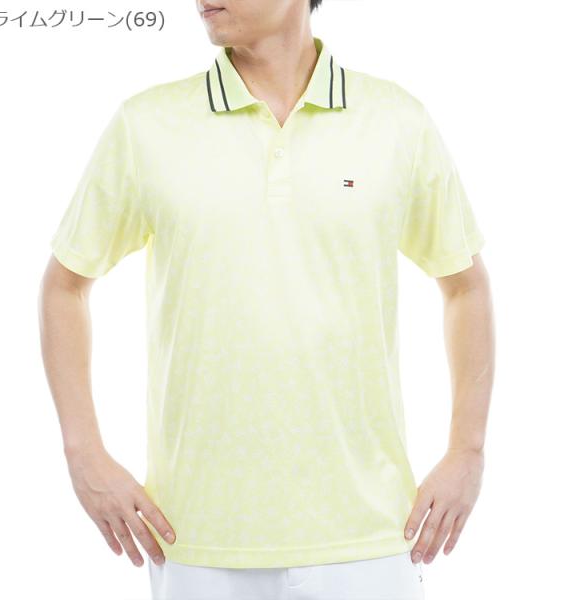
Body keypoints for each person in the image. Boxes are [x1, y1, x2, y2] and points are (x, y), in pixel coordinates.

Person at [38, 0, 495, 598]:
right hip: (196, 538)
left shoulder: (396, 121)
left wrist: (467, 450)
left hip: (370, 537)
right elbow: (65, 284)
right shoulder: (145, 125)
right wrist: (84, 452)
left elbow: (465, 284)